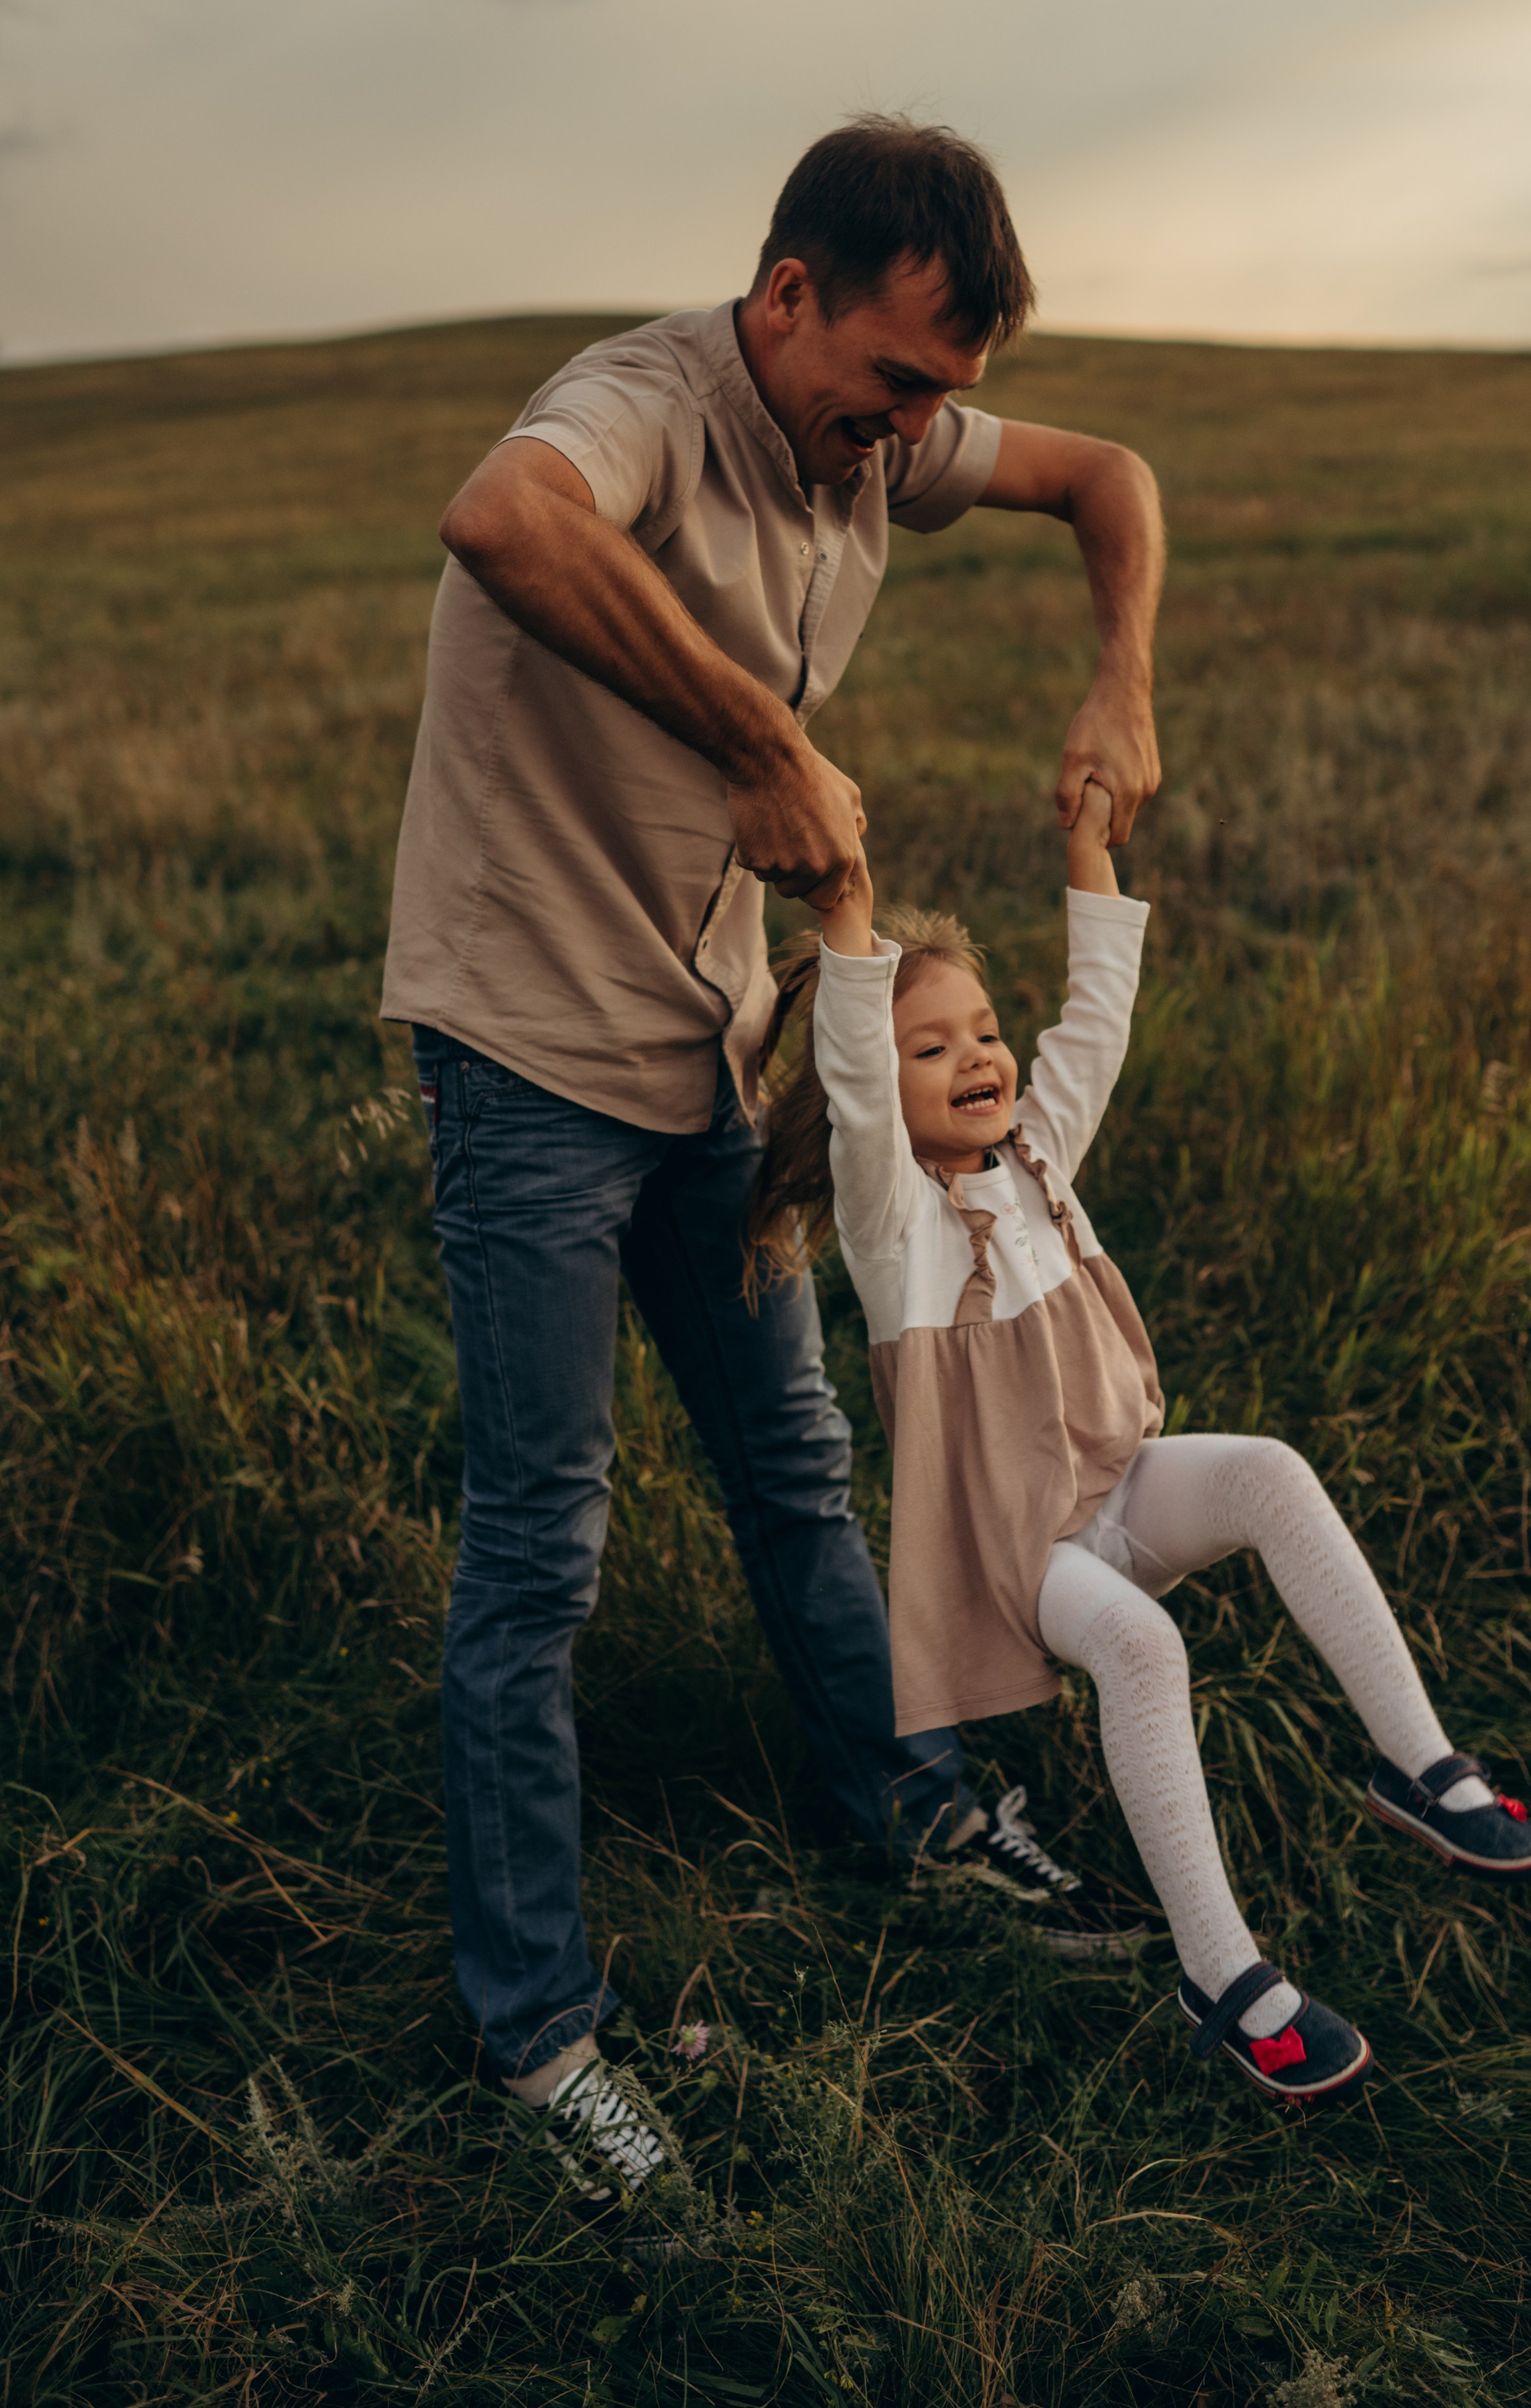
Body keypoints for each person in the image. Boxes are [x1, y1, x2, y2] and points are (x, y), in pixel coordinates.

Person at [380, 118, 1167, 2191]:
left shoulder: (876, 444)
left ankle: (906, 1808)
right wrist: (757, 734)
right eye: (895, 379)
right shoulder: (646, 402)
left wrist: (1123, 672)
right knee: (543, 1547)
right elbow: (502, 518)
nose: (914, 432)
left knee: (801, 1468)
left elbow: (1113, 480)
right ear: (789, 292)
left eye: (946, 397)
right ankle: (540, 2031)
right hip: (530, 1057)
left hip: (720, 1065)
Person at [749, 780, 1531, 2110]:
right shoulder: (895, 1225)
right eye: (931, 1049)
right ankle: (1224, 1975)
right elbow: (848, 1076)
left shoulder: (1040, 1152)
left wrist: (1086, 854)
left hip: (1121, 1484)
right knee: (1143, 1642)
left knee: (1271, 1474)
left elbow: (1098, 1021)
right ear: (885, 1100)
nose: (977, 1060)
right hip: (1025, 1551)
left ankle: (1422, 1767)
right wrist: (851, 921)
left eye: (984, 1034)